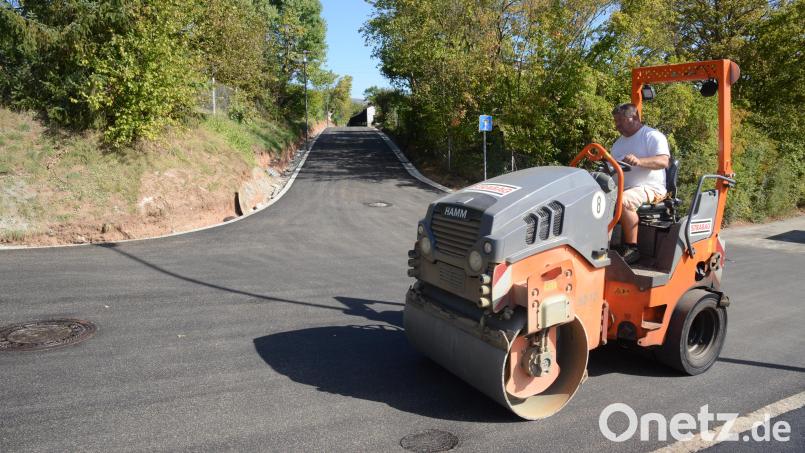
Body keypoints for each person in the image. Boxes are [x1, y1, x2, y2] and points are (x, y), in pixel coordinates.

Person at [610, 103, 670, 265]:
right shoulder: (618, 144)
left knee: (623, 200)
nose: (617, 126)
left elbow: (663, 161)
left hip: (651, 188)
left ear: (634, 118)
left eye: (621, 121)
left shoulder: (652, 136)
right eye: (616, 122)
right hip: (622, 187)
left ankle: (632, 248)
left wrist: (639, 161)